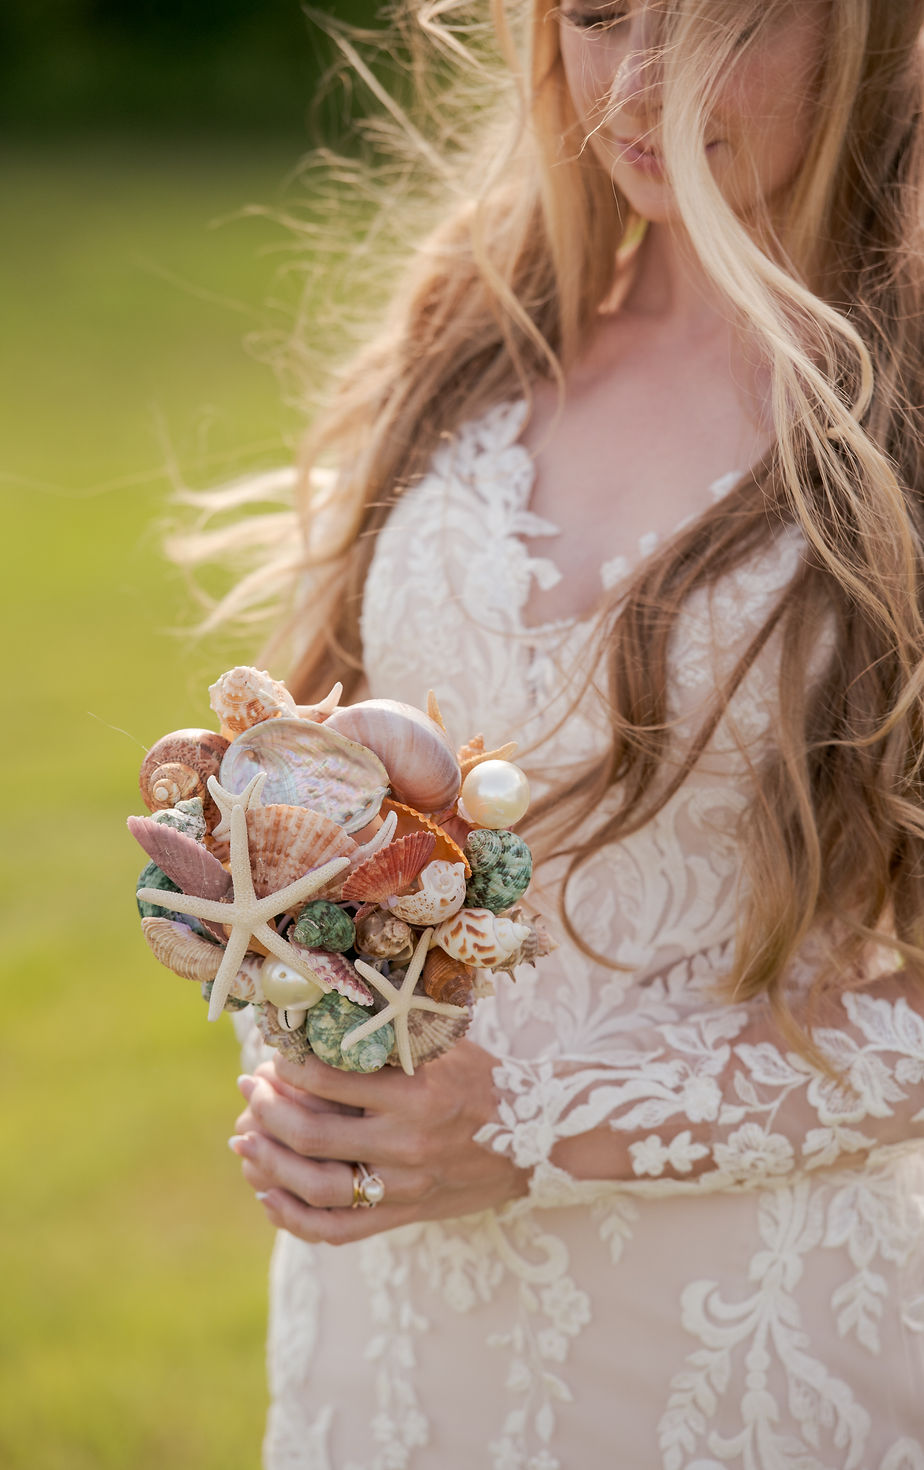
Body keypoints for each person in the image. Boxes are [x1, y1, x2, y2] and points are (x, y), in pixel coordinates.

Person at [199, 1, 924, 1465]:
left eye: (723, 24)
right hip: (394, 1322)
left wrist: (533, 1122)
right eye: (598, 15)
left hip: (744, 1334)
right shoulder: (486, 320)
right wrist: (304, 951)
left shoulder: (896, 397)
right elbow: (376, 773)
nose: (640, 90)